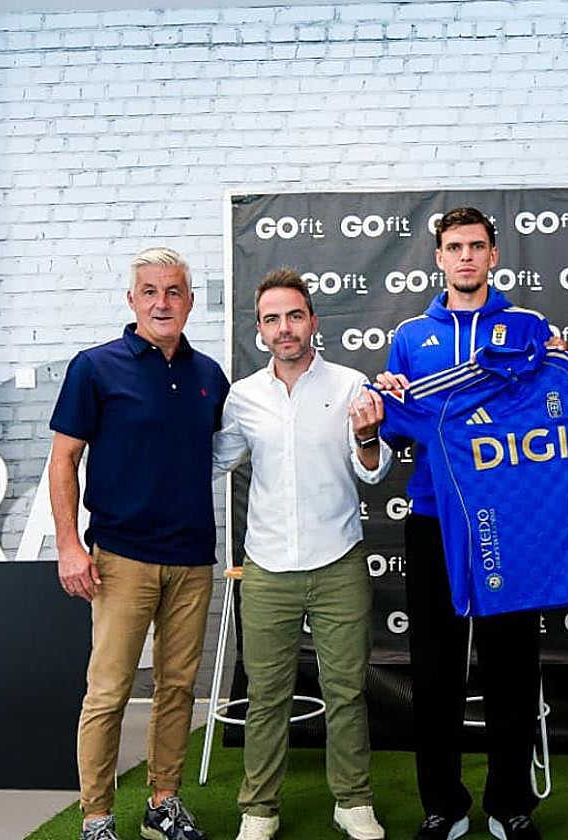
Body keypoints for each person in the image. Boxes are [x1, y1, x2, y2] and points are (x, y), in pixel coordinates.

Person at [375, 207, 553, 840]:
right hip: (434, 520)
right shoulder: (410, 338)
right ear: (439, 258)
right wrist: (387, 400)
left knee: (513, 665)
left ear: (494, 255)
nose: (467, 257)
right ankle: (443, 805)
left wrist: (554, 360)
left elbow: (553, 409)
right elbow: (395, 432)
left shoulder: (530, 327)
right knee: (435, 668)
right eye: (455, 247)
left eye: (477, 246)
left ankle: (511, 803)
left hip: (512, 521)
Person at [49, 247, 229, 840]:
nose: (162, 302)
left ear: (189, 301)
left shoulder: (209, 376)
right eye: (150, 291)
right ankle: (97, 815)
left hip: (192, 559)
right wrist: (70, 546)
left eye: (173, 291)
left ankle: (163, 804)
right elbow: (64, 459)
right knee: (109, 691)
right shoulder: (95, 367)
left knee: (178, 689)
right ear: (132, 301)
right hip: (120, 558)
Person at [212, 269, 392, 840]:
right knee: (265, 696)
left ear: (312, 322)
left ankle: (353, 801)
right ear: (260, 331)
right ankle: (259, 810)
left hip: (338, 560)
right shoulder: (242, 398)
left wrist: (366, 437)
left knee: (346, 691)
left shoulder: (349, 383)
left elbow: (375, 470)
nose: (284, 328)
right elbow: (214, 460)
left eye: (294, 316)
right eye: (272, 319)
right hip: (266, 568)